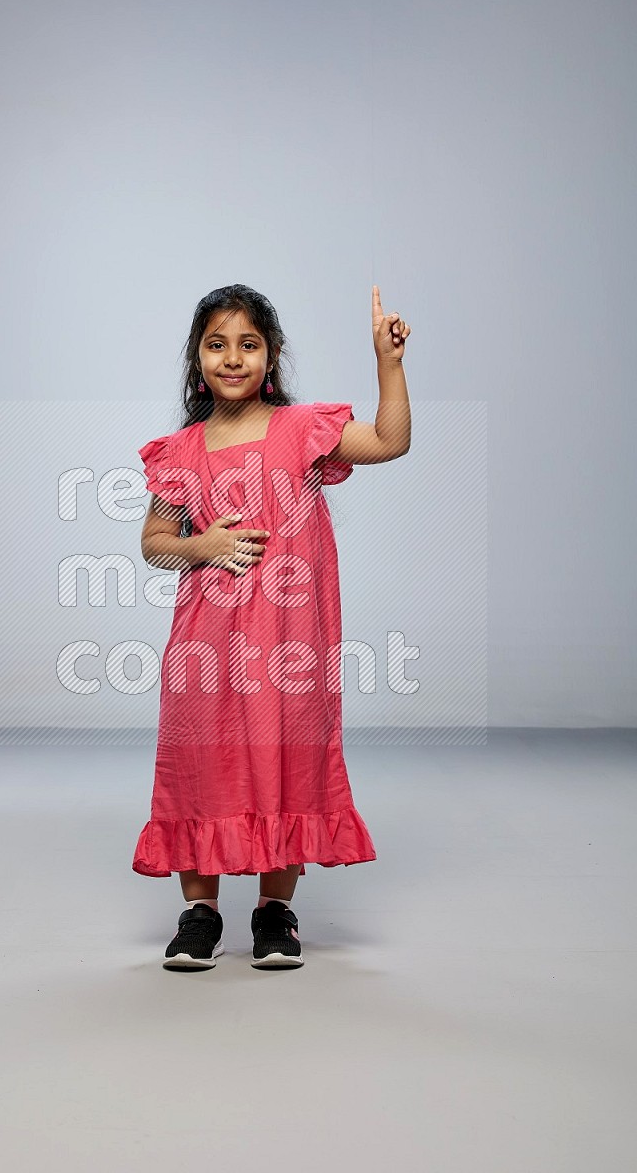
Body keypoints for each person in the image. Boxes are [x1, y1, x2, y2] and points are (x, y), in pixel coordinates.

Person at [134, 283, 411, 970]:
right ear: (198, 359)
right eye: (217, 344)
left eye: (248, 344)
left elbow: (389, 441)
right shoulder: (182, 450)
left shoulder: (302, 430)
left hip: (290, 645)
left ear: (273, 356)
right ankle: (200, 912)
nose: (233, 358)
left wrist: (388, 363)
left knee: (284, 759)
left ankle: (274, 911)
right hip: (207, 646)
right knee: (202, 762)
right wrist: (200, 546)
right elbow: (154, 540)